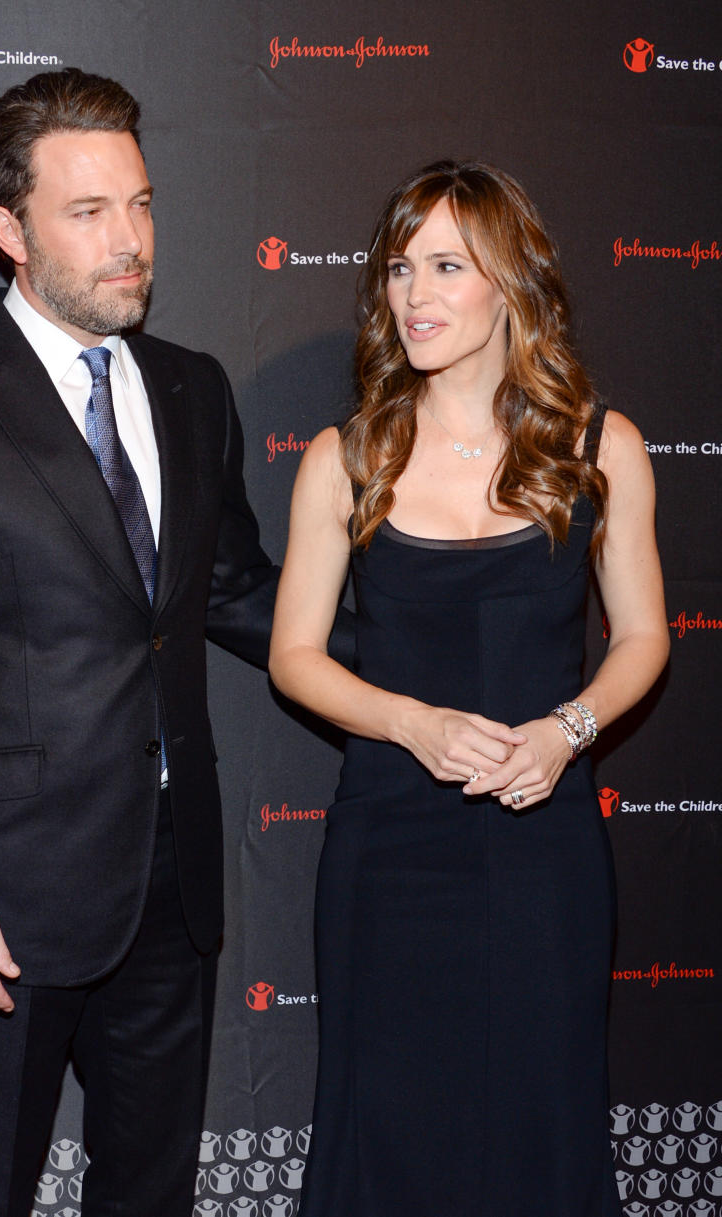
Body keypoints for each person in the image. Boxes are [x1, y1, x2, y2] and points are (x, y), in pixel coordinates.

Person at [0, 69, 282, 1217]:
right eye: (89, 213)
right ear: (7, 229)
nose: (130, 241)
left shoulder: (193, 387)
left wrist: (435, 644)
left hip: (173, 888)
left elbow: (235, 594)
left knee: (151, 1193)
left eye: (141, 203)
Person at [268, 161, 669, 1215]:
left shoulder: (600, 448)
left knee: (543, 1111)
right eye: (401, 269)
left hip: (545, 847)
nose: (414, 294)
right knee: (386, 1120)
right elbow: (295, 656)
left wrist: (566, 731)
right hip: (389, 848)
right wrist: (410, 722)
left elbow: (643, 636)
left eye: (447, 266)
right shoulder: (347, 457)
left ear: (512, 284)